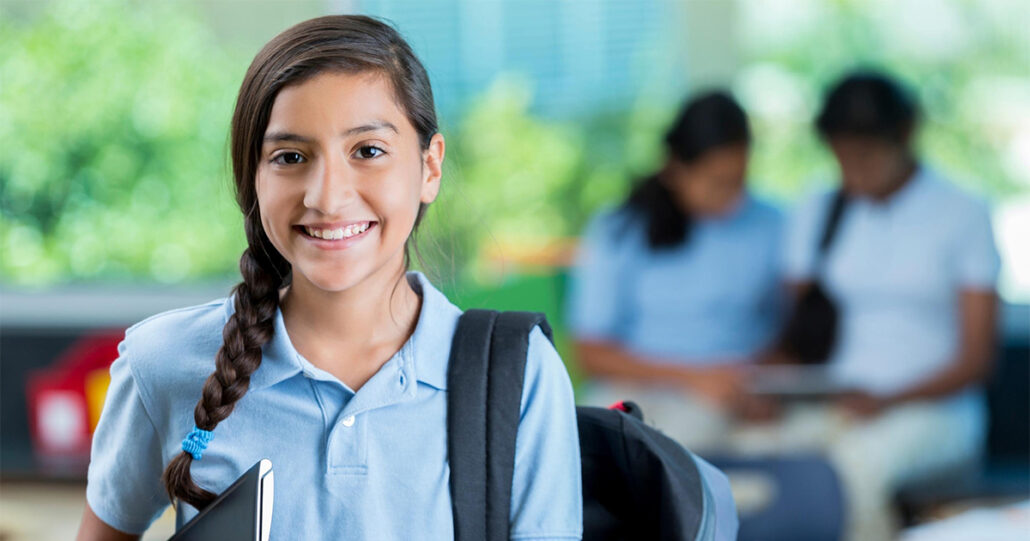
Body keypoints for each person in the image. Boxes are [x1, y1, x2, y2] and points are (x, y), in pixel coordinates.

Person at [76, 16, 582, 541]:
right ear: (253, 178)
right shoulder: (163, 364)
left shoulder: (519, 375)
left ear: (429, 168)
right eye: (290, 157)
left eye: (368, 151)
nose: (326, 196)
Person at [744, 70, 1000, 541]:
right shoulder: (819, 209)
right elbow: (798, 335)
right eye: (841, 158)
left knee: (847, 473)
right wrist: (764, 383)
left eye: (864, 156)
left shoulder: (961, 211)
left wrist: (886, 400)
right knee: (751, 460)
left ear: (905, 135)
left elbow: (976, 360)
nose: (852, 172)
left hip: (932, 410)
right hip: (837, 403)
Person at [566, 91, 784, 451]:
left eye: (740, 180)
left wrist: (752, 379)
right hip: (638, 387)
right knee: (612, 443)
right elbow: (591, 352)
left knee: (684, 446)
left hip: (729, 393)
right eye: (717, 183)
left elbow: (792, 331)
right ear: (675, 169)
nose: (732, 196)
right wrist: (693, 378)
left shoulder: (770, 223)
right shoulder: (620, 228)